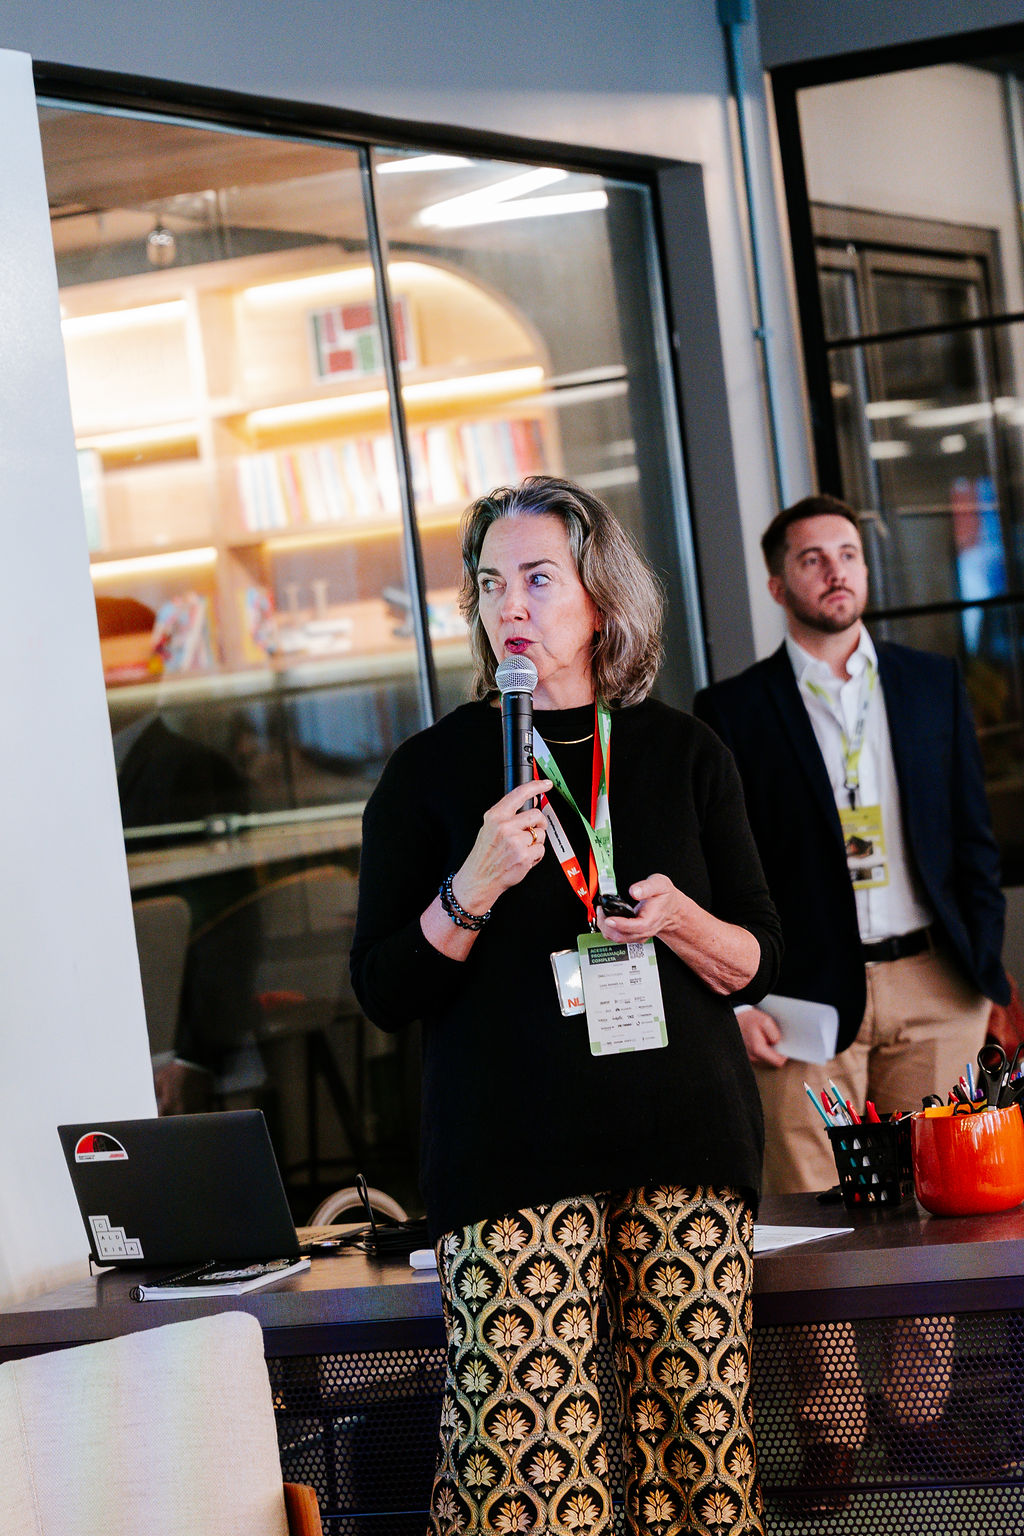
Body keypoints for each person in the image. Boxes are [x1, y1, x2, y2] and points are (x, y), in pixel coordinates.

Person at [351, 476, 782, 1536]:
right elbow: (383, 990)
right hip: (509, 1157)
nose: (510, 605)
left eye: (538, 579)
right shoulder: (429, 773)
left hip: (681, 1140)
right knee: (526, 1478)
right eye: (490, 582)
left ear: (600, 599)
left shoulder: (683, 752)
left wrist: (679, 919)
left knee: (700, 1467)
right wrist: (472, 886)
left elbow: (755, 962)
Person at [694, 493, 1010, 1499]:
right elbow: (718, 874)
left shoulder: (926, 682)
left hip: (933, 979)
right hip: (801, 997)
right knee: (809, 1215)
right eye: (811, 558)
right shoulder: (733, 711)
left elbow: (971, 836)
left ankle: (918, 1417)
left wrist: (988, 975)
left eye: (847, 554)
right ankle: (829, 1429)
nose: (836, 571)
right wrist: (737, 995)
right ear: (777, 581)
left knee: (936, 1209)